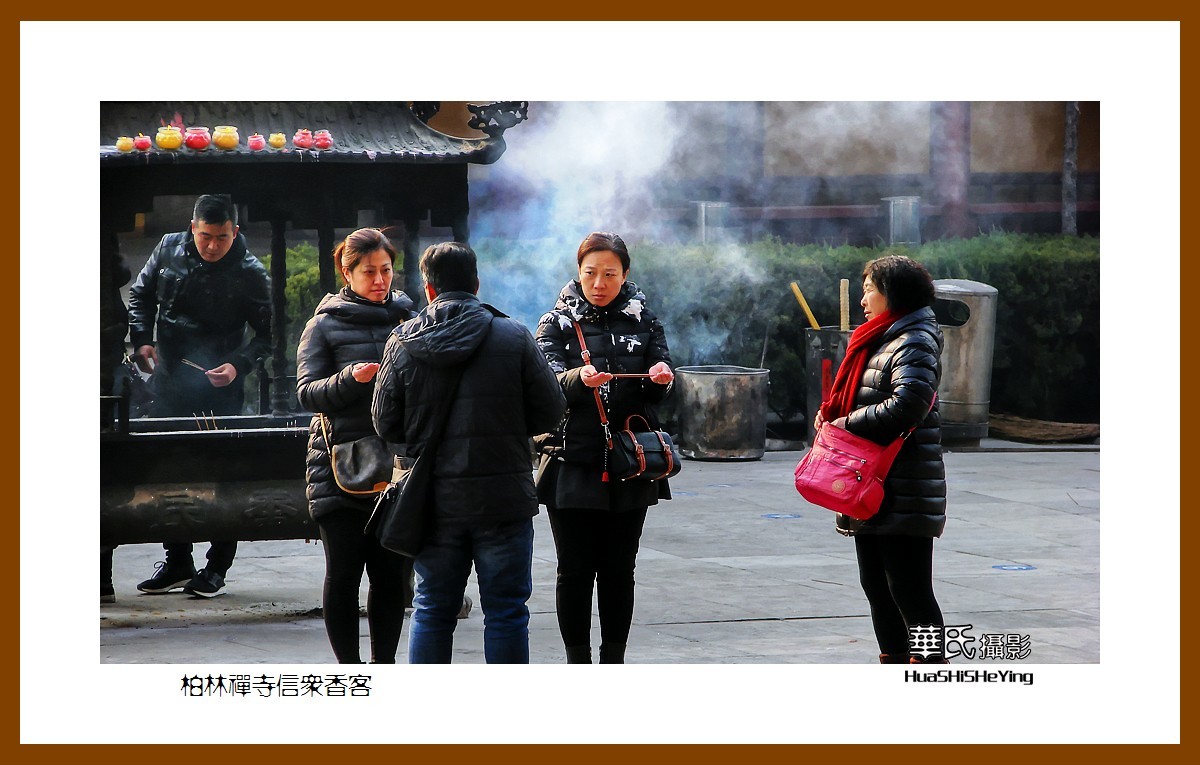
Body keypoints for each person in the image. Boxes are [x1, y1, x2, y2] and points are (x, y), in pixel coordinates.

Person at [372, 242, 565, 664]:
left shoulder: (403, 342)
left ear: (428, 289)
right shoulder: (513, 335)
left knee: (433, 609)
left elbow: (385, 423)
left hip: (433, 501)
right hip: (503, 499)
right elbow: (552, 409)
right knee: (507, 611)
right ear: (476, 284)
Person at [533, 231, 675, 664]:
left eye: (609, 274)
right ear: (578, 274)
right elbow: (545, 386)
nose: (599, 283)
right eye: (590, 273)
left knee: (619, 570)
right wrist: (579, 379)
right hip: (572, 461)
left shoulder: (645, 321)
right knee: (574, 571)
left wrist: (664, 378)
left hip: (632, 460)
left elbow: (661, 389)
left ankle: (614, 658)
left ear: (625, 274)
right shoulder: (555, 322)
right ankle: (578, 660)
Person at [126, 194, 272, 598]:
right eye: (205, 236)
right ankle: (177, 561)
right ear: (193, 228)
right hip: (169, 377)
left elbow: (267, 336)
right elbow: (140, 294)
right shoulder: (168, 248)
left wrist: (239, 365)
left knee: (223, 475)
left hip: (220, 387)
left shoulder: (250, 272)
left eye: (221, 238)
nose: (211, 245)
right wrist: (142, 340)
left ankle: (217, 567)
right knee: (169, 471)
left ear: (235, 233)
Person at [813, 253, 947, 664]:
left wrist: (845, 424)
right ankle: (893, 659)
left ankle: (929, 668)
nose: (863, 300)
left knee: (909, 588)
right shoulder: (881, 337)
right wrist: (837, 415)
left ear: (894, 293)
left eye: (869, 289)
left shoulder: (914, 339)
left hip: (903, 483)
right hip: (871, 482)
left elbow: (909, 403)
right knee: (876, 584)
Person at [296, 228, 416, 664]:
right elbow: (307, 392)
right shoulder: (323, 325)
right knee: (344, 575)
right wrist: (350, 380)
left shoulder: (408, 318)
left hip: (396, 467)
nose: (381, 279)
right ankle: (348, 669)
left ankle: (383, 665)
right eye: (369, 272)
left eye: (386, 270)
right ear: (347, 272)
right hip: (338, 465)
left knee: (390, 576)